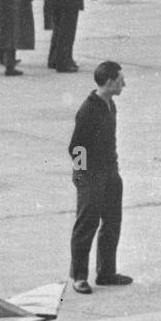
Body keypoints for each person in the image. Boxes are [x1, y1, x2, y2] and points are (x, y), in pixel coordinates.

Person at [68, 61, 131, 294]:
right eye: (120, 80)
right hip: (91, 175)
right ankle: (79, 277)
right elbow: (76, 147)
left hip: (110, 172)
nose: (124, 83)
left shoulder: (110, 105)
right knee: (87, 225)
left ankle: (106, 273)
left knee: (113, 221)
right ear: (109, 82)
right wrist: (84, 175)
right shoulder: (89, 110)